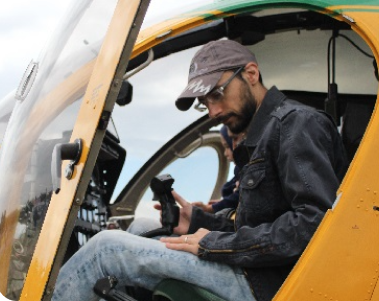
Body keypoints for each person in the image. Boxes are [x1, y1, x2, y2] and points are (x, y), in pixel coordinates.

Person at [52, 39, 347, 301]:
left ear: (251, 74)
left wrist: (213, 244)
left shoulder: (295, 125)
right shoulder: (261, 136)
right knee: (143, 227)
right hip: (256, 268)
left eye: (217, 93)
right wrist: (198, 222)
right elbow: (259, 224)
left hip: (270, 283)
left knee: (106, 248)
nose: (214, 111)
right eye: (204, 103)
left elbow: (313, 226)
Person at [192, 125, 243, 213]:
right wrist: (222, 203)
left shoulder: (243, 173)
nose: (225, 153)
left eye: (227, 146)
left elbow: (238, 197)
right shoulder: (238, 175)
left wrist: (210, 209)